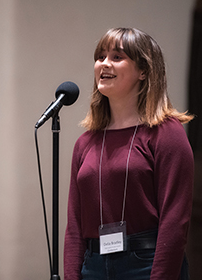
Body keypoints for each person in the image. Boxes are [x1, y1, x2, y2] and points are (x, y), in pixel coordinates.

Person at [64, 27, 194, 280]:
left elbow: (175, 220)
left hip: (146, 265)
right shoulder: (85, 142)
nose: (104, 64)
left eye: (117, 57)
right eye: (100, 57)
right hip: (93, 267)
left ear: (143, 71)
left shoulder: (166, 133)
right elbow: (74, 225)